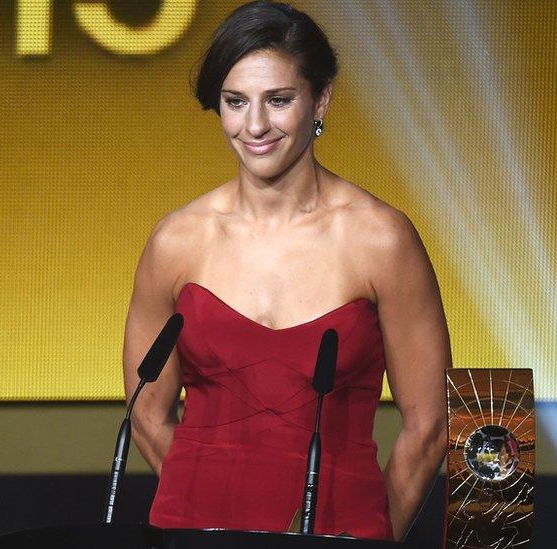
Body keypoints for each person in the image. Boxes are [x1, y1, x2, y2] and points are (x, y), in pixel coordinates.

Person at [121, 1, 450, 541]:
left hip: (341, 533)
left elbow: (429, 427)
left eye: (278, 100)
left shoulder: (381, 240)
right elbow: (147, 416)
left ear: (320, 99)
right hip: (192, 532)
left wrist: (364, 532)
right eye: (235, 102)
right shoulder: (177, 242)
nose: (254, 125)